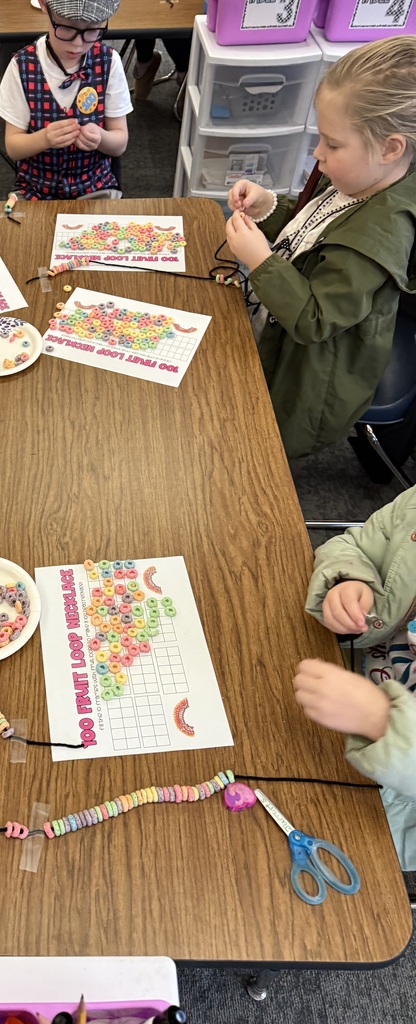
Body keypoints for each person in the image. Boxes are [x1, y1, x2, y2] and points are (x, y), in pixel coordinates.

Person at [224, 36, 416, 460]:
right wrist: (269, 206)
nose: (317, 153)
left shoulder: (374, 240)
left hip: (303, 378)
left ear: (390, 148)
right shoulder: (362, 179)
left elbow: (315, 320)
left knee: (256, 452)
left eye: (332, 143)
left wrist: (260, 260)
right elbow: (314, 226)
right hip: (275, 332)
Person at [298, 484, 416, 869]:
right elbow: (357, 545)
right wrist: (350, 582)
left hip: (397, 800)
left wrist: (381, 720)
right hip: (345, 679)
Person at [0, 0, 132, 200]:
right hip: (35, 191)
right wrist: (44, 139)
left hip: (95, 188)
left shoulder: (109, 62)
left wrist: (100, 138)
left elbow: (120, 143)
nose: (77, 44)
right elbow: (13, 148)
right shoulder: (22, 66)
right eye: (66, 28)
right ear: (43, 6)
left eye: (92, 31)